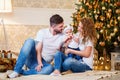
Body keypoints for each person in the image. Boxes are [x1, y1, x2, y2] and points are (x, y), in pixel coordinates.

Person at [7, 14, 68, 78]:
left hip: (45, 63)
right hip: (34, 58)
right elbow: (38, 49)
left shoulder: (63, 35)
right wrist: (39, 63)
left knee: (50, 69)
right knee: (29, 41)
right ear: (53, 26)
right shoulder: (42, 32)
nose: (62, 28)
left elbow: (60, 53)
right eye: (60, 26)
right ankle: (16, 71)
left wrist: (66, 43)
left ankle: (22, 72)